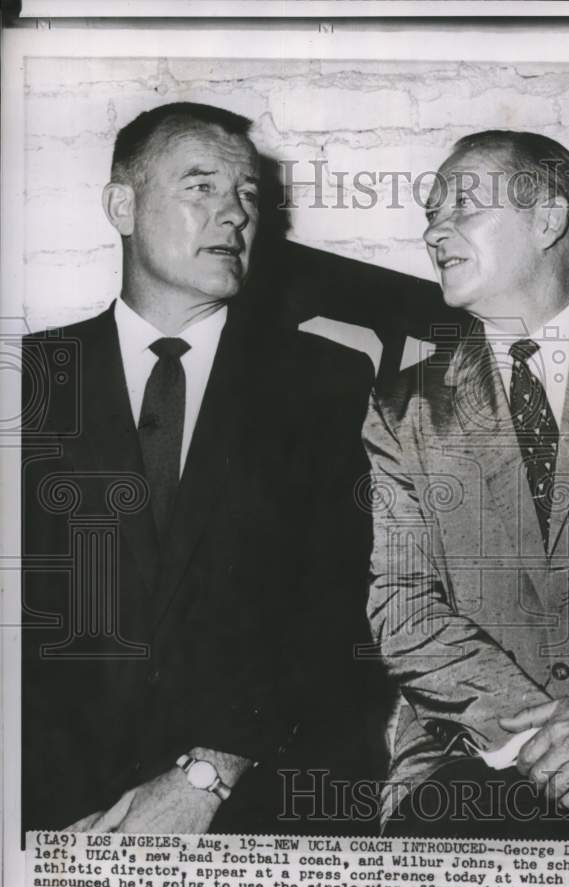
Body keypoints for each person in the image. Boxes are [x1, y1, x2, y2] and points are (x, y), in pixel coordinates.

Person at [22, 102, 375, 834]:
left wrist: (210, 773)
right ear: (122, 205)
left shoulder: (326, 382)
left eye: (247, 194)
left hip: (249, 802)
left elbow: (338, 607)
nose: (234, 215)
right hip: (48, 812)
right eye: (201, 187)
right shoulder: (30, 377)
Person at [362, 130, 569, 842]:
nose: (433, 230)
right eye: (429, 214)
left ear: (547, 220)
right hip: (467, 760)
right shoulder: (402, 407)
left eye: (460, 207)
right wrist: (549, 746)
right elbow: (402, 608)